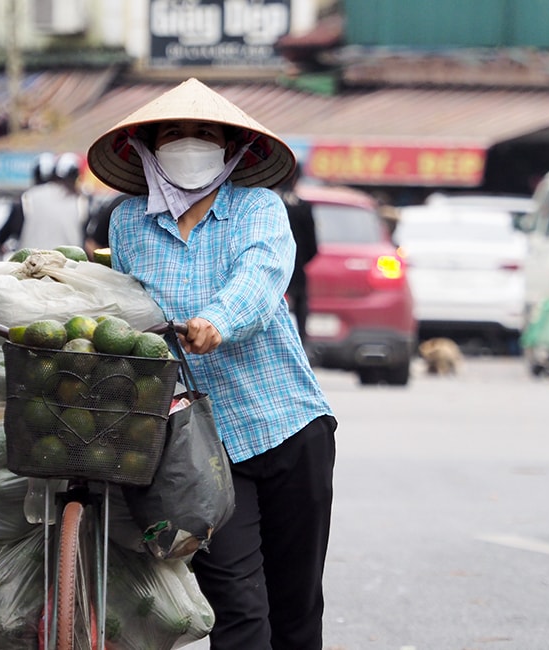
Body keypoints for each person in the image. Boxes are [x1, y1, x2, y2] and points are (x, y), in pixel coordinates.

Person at [87, 77, 337, 650]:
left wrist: (216, 321)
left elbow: (262, 274)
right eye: (174, 133)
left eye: (204, 134)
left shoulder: (259, 208)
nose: (189, 143)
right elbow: (124, 303)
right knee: (237, 605)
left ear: (231, 149)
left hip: (289, 426)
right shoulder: (127, 222)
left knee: (296, 608)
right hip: (200, 447)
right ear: (148, 150)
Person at [0, 151, 88, 253]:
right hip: (69, 264)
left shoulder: (27, 198)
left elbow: (2, 235)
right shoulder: (81, 200)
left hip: (32, 263)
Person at [275, 161, 318, 342]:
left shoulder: (265, 205)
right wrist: (295, 262)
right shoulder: (302, 207)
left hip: (271, 277)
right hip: (296, 278)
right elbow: (312, 248)